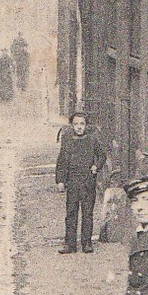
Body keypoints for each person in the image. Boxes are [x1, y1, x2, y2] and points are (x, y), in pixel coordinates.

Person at [54, 108, 106, 254]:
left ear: (86, 126)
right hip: (72, 181)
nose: (79, 127)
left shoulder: (92, 140)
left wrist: (97, 166)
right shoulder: (67, 140)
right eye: (76, 124)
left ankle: (87, 243)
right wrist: (60, 181)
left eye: (82, 124)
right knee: (71, 212)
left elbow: (102, 155)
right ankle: (70, 244)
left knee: (87, 213)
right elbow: (62, 162)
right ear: (71, 125)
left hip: (88, 181)